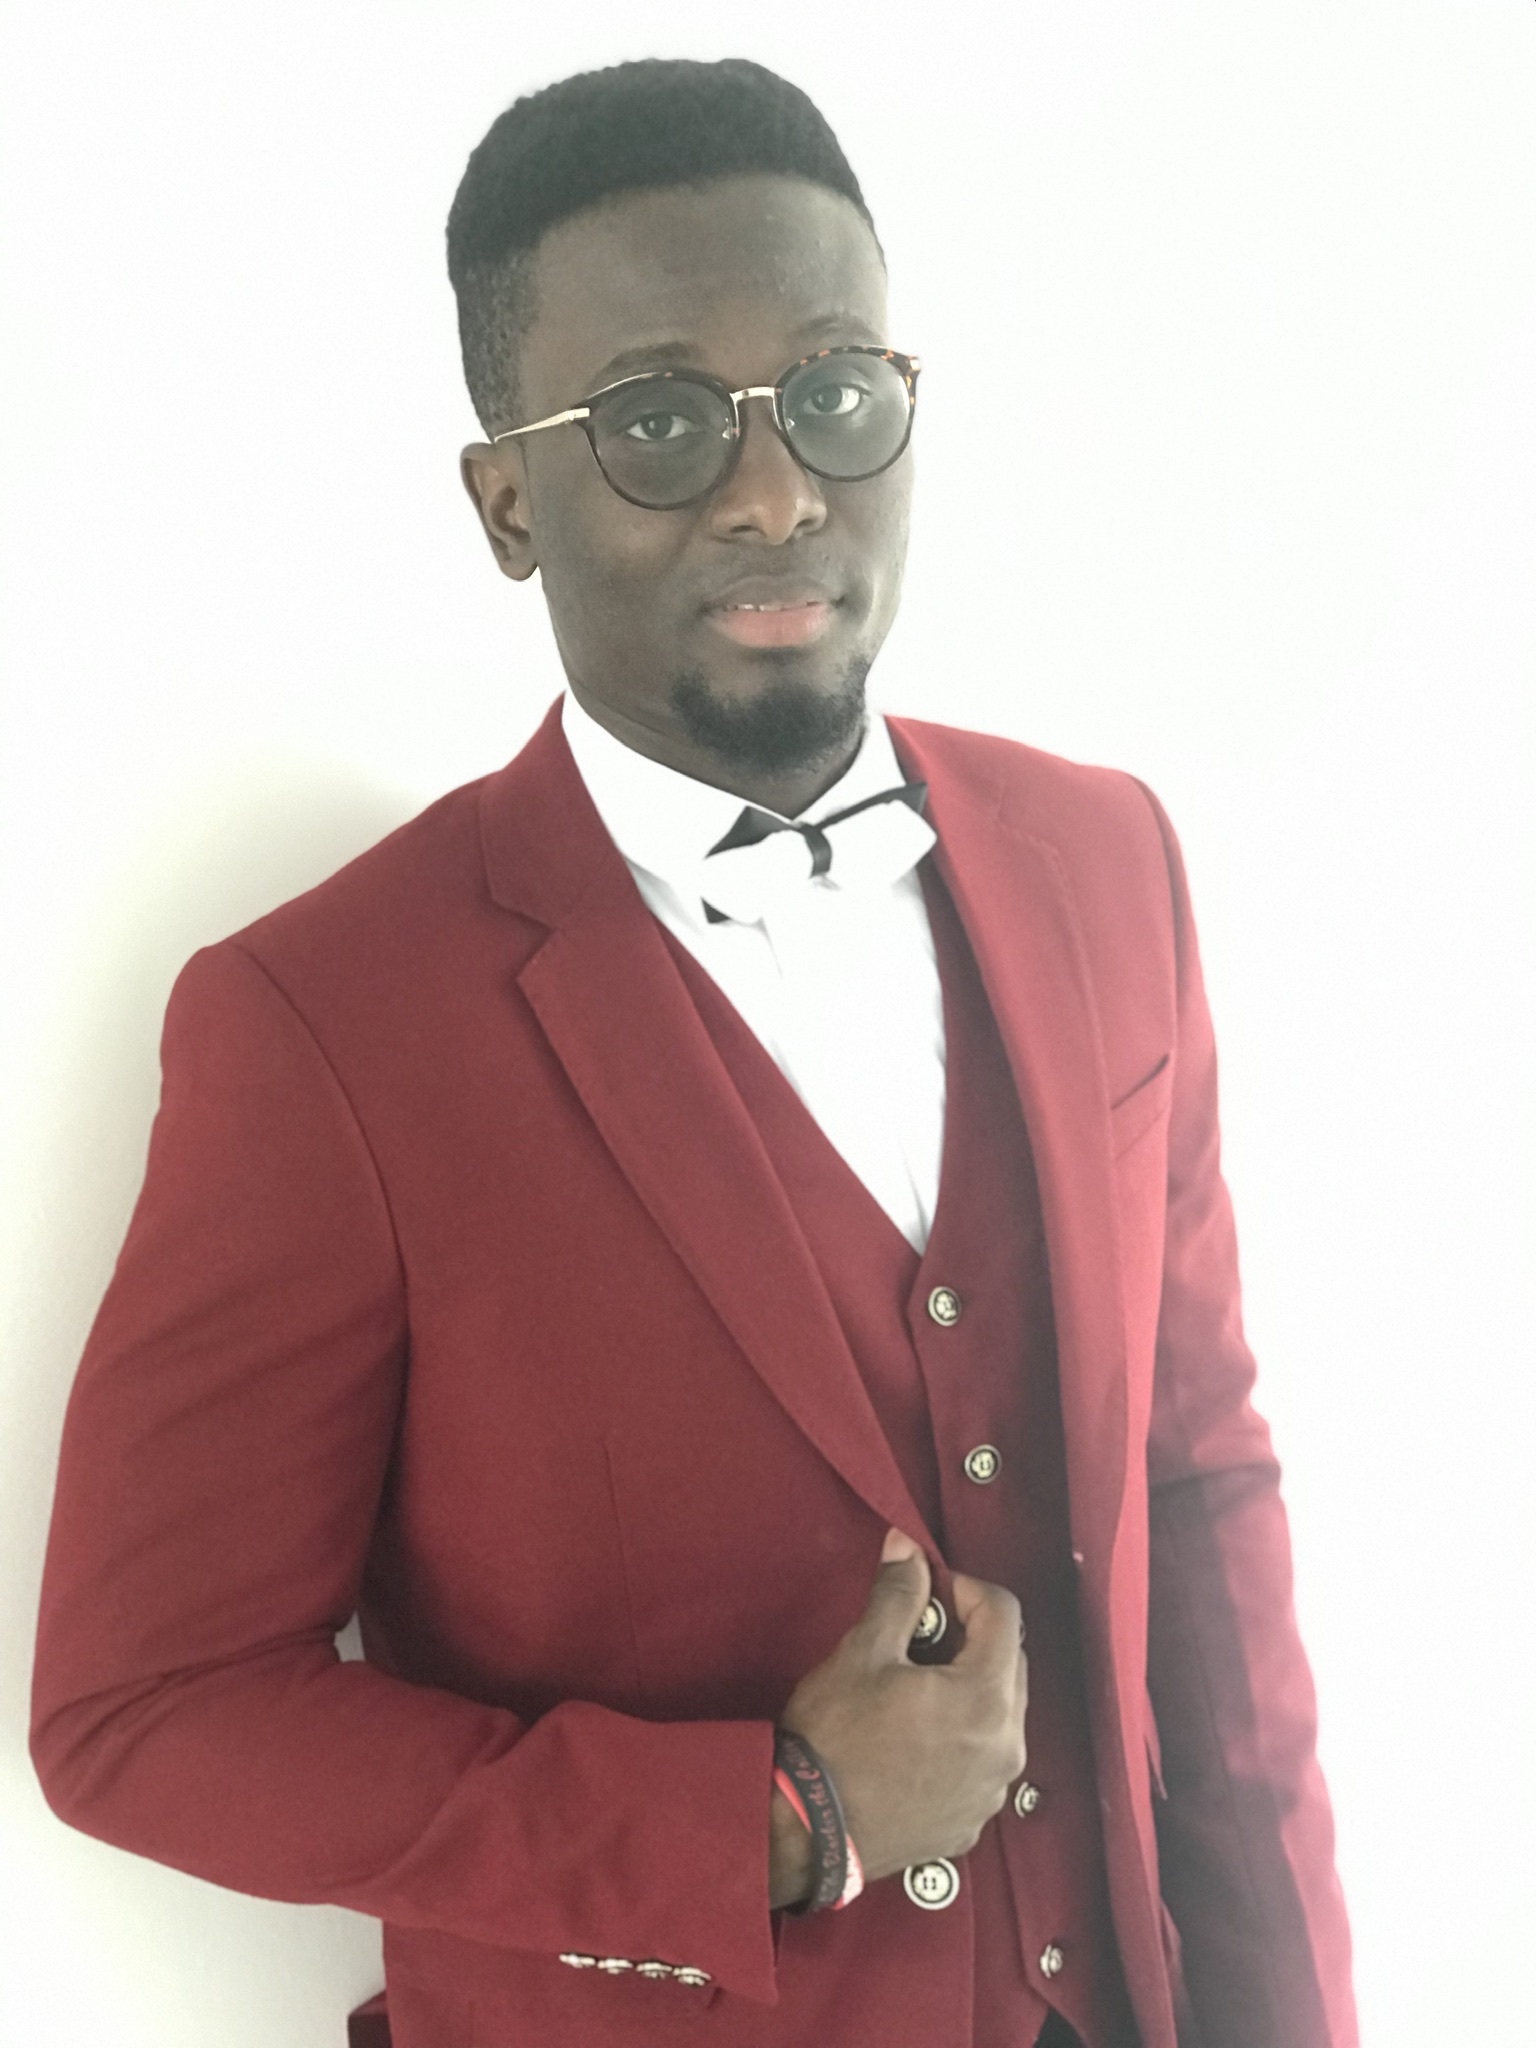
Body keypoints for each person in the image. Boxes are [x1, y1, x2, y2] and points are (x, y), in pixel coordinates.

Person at [29, 56, 1356, 2048]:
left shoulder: (1104, 861)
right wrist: (775, 1823)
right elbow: (143, 1710)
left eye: (834, 390)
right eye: (658, 420)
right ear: (508, 501)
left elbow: (1200, 1494)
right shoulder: (326, 1024)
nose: (774, 489)